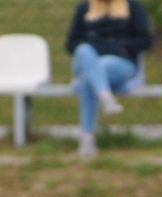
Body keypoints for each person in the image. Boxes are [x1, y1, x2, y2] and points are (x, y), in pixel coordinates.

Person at [64, 0, 152, 158]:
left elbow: (145, 41)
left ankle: (87, 138)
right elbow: (71, 44)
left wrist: (116, 45)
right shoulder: (84, 8)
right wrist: (97, 46)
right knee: (84, 51)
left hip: (121, 63)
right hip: (88, 62)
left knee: (90, 77)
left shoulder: (133, 8)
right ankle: (105, 97)